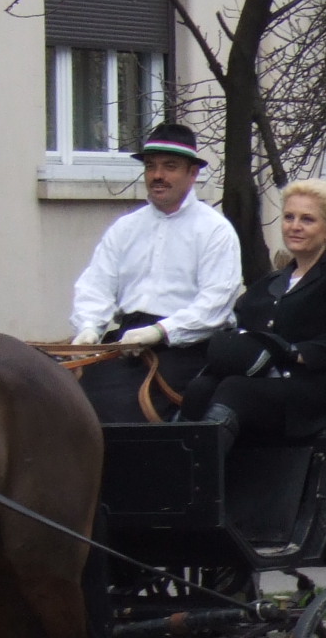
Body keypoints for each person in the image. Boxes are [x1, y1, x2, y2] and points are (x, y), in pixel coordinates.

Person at [177, 177, 326, 444]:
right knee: (200, 388)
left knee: (235, 390)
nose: (295, 226)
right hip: (270, 382)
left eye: (307, 219)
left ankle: (201, 466)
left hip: (325, 390)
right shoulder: (269, 283)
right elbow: (241, 325)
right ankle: (181, 466)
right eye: (289, 217)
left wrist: (295, 352)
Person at [70, 120, 244, 421]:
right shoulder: (126, 228)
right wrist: (88, 328)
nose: (157, 175)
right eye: (151, 166)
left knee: (123, 407)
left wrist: (160, 332)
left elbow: (214, 305)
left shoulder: (215, 230)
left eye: (169, 166)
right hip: (127, 341)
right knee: (67, 395)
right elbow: (96, 284)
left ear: (193, 173)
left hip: (189, 348)